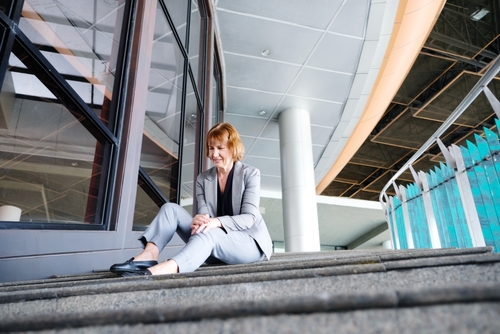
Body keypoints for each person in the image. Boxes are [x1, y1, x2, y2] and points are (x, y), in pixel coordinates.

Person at [110, 122, 273, 276]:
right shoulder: (203, 179)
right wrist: (199, 220)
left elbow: (249, 219)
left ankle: (161, 270)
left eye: (220, 148)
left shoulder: (250, 174)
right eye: (211, 148)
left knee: (210, 233)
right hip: (212, 244)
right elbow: (204, 217)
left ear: (232, 148)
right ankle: (148, 256)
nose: (213, 154)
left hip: (248, 244)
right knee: (170, 209)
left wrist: (215, 222)